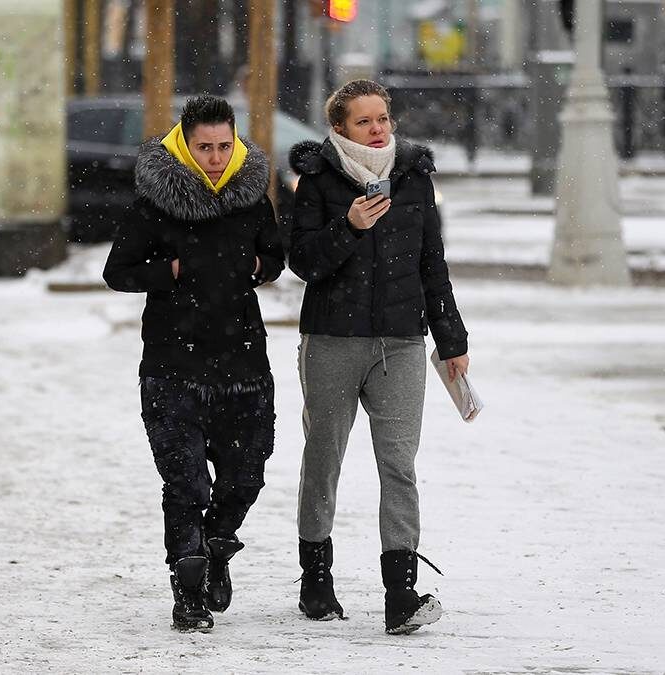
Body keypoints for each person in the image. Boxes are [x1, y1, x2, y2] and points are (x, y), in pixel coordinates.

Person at [287, 79, 470, 635]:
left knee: (399, 465)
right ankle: (316, 581)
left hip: (401, 343)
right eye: (364, 121)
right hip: (333, 341)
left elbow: (431, 263)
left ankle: (401, 594)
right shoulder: (317, 179)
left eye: (383, 119)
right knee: (324, 459)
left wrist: (452, 340)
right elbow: (302, 261)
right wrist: (348, 226)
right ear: (340, 127)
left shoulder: (413, 176)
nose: (378, 130)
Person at [103, 95, 284, 632]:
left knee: (244, 478)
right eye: (204, 147)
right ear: (184, 144)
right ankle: (188, 590)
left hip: (244, 361)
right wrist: (171, 269)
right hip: (172, 362)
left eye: (224, 146)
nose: (214, 157)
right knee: (184, 483)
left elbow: (275, 257)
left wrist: (257, 264)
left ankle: (217, 551)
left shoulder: (251, 196)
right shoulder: (154, 201)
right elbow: (118, 271)